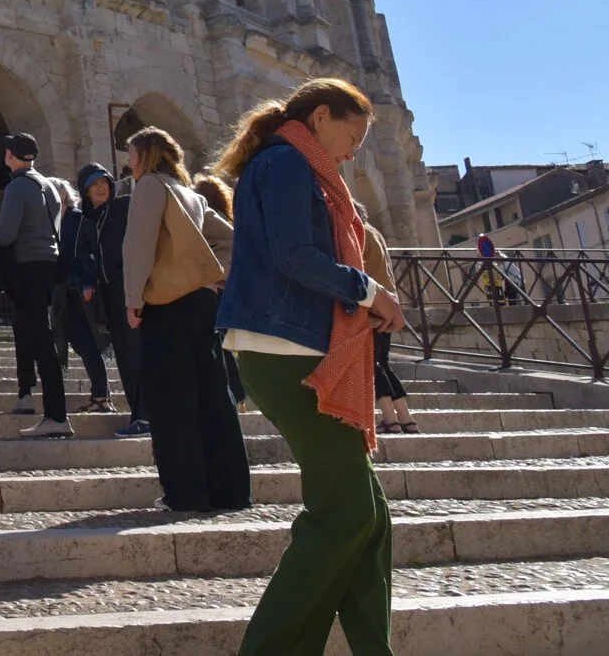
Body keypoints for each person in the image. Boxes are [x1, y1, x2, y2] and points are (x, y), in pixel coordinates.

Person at [216, 77, 407, 656]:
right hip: (284, 351)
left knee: (366, 516)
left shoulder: (291, 163)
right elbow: (296, 256)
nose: (355, 151)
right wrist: (370, 291)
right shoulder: (287, 164)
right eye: (353, 135)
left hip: (296, 344)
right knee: (345, 513)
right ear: (321, 117)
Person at [122, 128, 248, 513]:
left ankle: (186, 493)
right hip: (202, 305)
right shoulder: (191, 194)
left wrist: (132, 299)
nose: (128, 162)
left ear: (145, 155)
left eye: (130, 154)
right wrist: (215, 278)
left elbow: (138, 245)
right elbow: (231, 238)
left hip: (166, 305)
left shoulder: (148, 187)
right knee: (215, 398)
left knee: (171, 401)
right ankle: (230, 491)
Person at [0, 132, 72, 438]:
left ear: (10, 155)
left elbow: (5, 236)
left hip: (27, 267)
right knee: (38, 335)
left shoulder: (16, 187)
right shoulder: (49, 186)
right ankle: (39, 402)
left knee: (40, 340)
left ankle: (56, 415)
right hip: (48, 267)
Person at [74, 163, 150, 436]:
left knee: (138, 354)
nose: (101, 187)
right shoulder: (88, 219)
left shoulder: (125, 206)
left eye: (104, 181)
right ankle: (139, 415)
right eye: (94, 184)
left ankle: (146, 416)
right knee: (126, 358)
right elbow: (85, 255)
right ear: (85, 191)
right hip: (109, 296)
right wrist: (88, 281)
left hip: (130, 289)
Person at [55, 195, 115, 413]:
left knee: (88, 343)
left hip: (82, 291)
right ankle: (101, 396)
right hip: (68, 292)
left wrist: (89, 282)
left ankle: (102, 397)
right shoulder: (61, 221)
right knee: (81, 344)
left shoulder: (77, 218)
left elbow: (88, 251)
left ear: (62, 196)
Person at [194, 173, 247, 409]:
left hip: (215, 287)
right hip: (232, 288)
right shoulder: (229, 219)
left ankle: (235, 394)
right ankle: (239, 394)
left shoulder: (206, 220)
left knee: (220, 344)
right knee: (226, 342)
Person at [365, 214, 416, 434]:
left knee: (371, 362)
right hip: (388, 303)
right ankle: (406, 417)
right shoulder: (376, 234)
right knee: (383, 362)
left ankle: (389, 417)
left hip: (371, 305)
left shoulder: (359, 233)